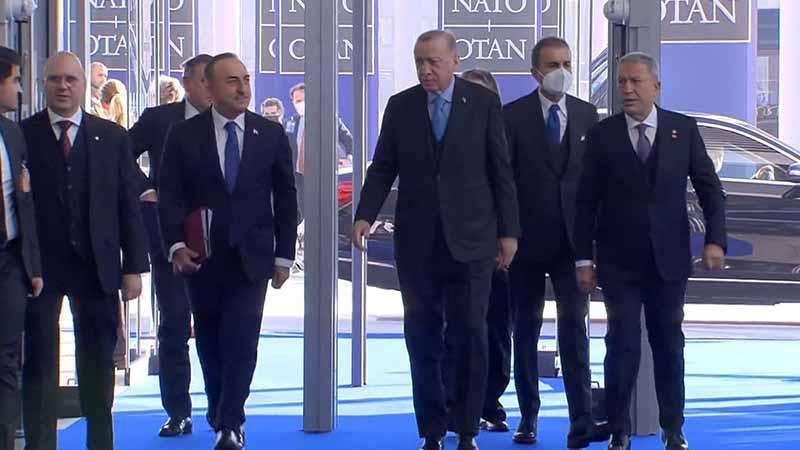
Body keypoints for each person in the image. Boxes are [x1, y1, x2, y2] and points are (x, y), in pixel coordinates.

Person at [352, 30, 520, 450]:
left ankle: (467, 427)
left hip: (473, 240)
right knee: (422, 336)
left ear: (454, 61)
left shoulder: (482, 103)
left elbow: (500, 170)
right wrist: (364, 215)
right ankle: (432, 429)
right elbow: (383, 166)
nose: (426, 70)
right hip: (418, 242)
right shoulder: (401, 106)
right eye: (419, 62)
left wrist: (508, 232)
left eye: (434, 62)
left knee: (470, 334)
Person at [574, 52, 727, 450]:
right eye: (621, 82)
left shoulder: (682, 129)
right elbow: (584, 201)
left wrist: (715, 239)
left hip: (669, 260)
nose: (627, 89)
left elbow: (710, 188)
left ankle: (673, 428)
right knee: (622, 345)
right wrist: (584, 258)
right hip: (618, 262)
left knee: (669, 344)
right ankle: (619, 429)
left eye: (635, 81)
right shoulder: (603, 135)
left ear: (655, 86)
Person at [158, 52, 297, 450]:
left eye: (246, 80)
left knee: (242, 340)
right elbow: (171, 196)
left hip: (252, 258)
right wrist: (176, 246)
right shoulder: (184, 135)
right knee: (210, 342)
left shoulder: (269, 134)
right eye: (232, 81)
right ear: (210, 87)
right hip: (202, 259)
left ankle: (231, 421)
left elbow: (286, 197)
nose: (242, 89)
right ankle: (220, 412)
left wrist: (284, 255)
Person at [21, 51, 149, 450]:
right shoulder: (23, 135)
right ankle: (41, 443)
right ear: (43, 84)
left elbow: (128, 204)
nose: (63, 86)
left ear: (82, 85)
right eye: (55, 79)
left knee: (96, 363)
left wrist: (134, 267)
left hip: (97, 265)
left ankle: (100, 443)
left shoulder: (111, 137)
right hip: (40, 267)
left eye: (71, 79)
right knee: (39, 363)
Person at [503, 37, 607, 448]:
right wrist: (505, 234)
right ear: (535, 72)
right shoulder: (512, 116)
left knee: (574, 331)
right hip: (525, 242)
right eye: (552, 65)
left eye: (566, 63)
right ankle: (528, 417)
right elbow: (504, 181)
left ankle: (581, 420)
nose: (560, 71)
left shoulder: (586, 114)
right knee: (525, 330)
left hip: (572, 244)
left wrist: (592, 246)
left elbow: (594, 182)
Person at [129, 52, 213, 438]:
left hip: (220, 240)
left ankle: (226, 412)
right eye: (205, 80)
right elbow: (122, 153)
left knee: (219, 328)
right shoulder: (158, 119)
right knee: (175, 322)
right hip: (170, 236)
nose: (211, 88)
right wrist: (145, 188)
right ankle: (178, 411)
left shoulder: (234, 122)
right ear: (189, 83)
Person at [444, 67, 513, 434]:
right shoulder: (444, 136)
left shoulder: (507, 134)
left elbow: (510, 190)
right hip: (455, 250)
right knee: (455, 330)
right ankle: (453, 404)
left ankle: (490, 402)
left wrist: (507, 239)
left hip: (498, 251)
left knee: (496, 330)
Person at [0, 46, 43, 450]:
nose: (19, 90)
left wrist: (33, 266)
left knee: (7, 359)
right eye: (15, 80)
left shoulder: (13, 134)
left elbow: (22, 202)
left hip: (10, 262)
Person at [285, 82, 354, 222]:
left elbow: (348, 140)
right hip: (298, 174)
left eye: (302, 100)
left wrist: (349, 157)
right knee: (301, 207)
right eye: (296, 101)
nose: (299, 104)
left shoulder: (328, 119)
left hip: (321, 174)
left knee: (321, 208)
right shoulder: (292, 122)